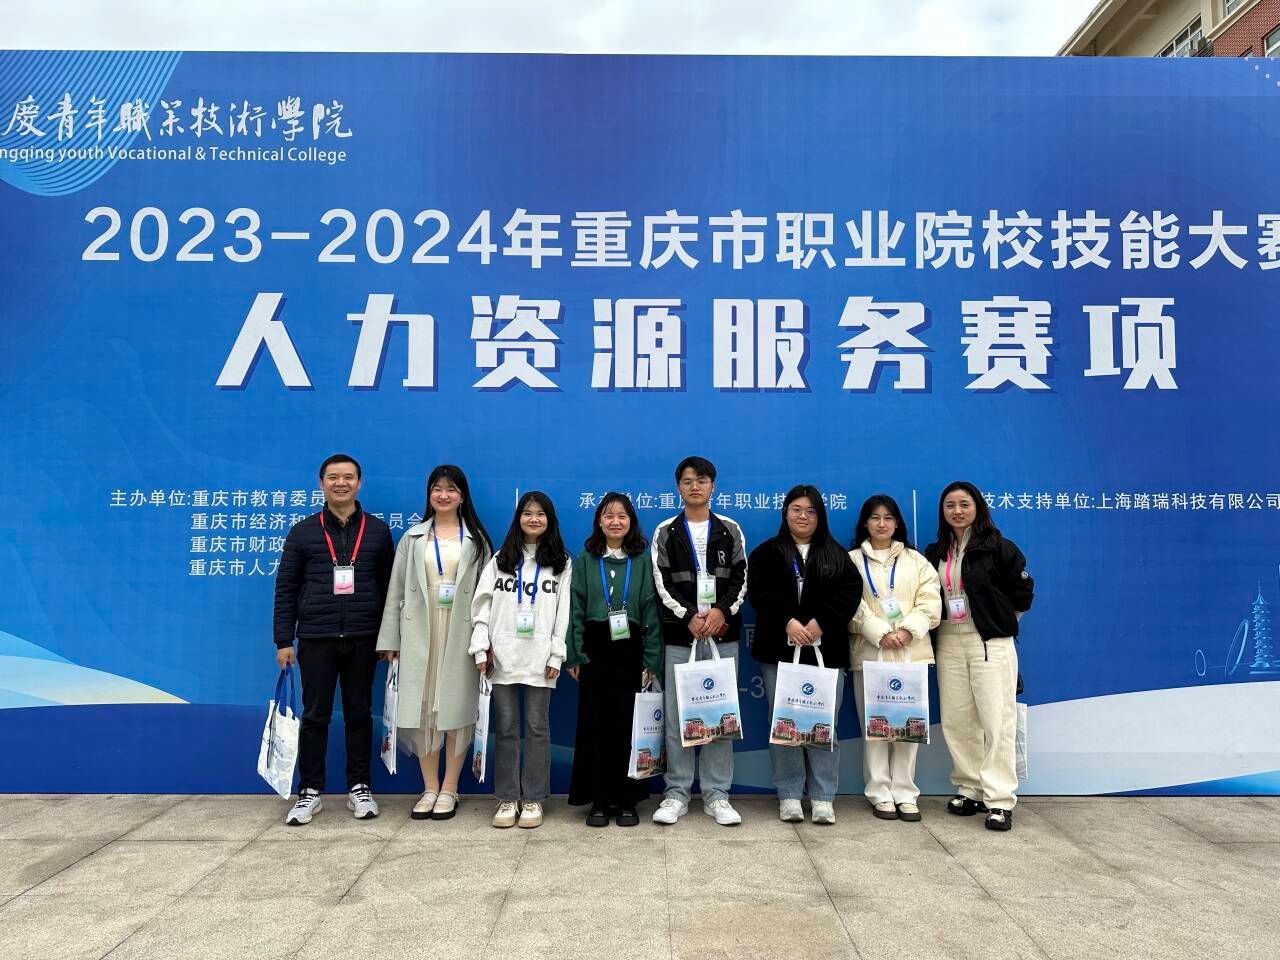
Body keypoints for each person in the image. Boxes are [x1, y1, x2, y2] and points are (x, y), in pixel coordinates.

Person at [273, 454, 395, 826]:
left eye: (348, 477)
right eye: (333, 477)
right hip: (317, 638)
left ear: (359, 483)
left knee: (359, 715)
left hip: (363, 638)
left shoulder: (377, 531)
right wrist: (283, 640)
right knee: (315, 716)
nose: (340, 483)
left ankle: (360, 787)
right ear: (321, 483)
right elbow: (286, 588)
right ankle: (310, 791)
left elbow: (389, 590)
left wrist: (389, 638)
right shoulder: (303, 531)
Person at [377, 465, 493, 821]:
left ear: (462, 496)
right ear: (429, 495)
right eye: (437, 489)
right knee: (424, 708)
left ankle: (450, 788)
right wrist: (390, 639)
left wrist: (485, 641)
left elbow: (488, 597)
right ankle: (429, 787)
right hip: (420, 631)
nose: (444, 495)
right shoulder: (413, 538)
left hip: (460, 632)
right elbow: (396, 589)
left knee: (455, 707)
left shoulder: (477, 540)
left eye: (451, 489)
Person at [923, 482, 1033, 833]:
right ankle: (969, 787)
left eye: (964, 504)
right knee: (958, 718)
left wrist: (1000, 622)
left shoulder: (998, 547)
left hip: (989, 641)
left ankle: (999, 798)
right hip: (948, 640)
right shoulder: (936, 551)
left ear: (978, 507)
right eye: (950, 505)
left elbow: (1023, 592)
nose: (957, 511)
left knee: (996, 720)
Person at [747, 485, 861, 825]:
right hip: (779, 650)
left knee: (823, 725)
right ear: (785, 513)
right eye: (796, 509)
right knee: (785, 725)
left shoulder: (836, 554)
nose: (802, 516)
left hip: (826, 651)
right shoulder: (767, 553)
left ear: (819, 516)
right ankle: (789, 795)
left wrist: (820, 622)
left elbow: (850, 593)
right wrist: (789, 621)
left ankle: (823, 797)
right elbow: (759, 592)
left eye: (810, 511)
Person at [650, 456, 749, 826]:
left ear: (712, 486)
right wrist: (689, 615)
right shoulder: (666, 531)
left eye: (702, 480)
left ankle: (716, 794)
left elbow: (741, 578)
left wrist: (722, 611)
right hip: (681, 636)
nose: (695, 486)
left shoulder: (730, 529)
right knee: (678, 717)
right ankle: (676, 793)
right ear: (679, 487)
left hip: (722, 636)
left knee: (721, 715)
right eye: (688, 481)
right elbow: (662, 582)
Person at [469, 492, 572, 829]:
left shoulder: (561, 563)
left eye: (540, 514)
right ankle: (507, 797)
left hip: (541, 657)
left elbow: (563, 613)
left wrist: (557, 653)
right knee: (507, 728)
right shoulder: (500, 559)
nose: (533, 519)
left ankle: (533, 798)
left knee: (538, 728)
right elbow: (482, 606)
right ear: (518, 519)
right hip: (502, 656)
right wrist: (481, 647)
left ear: (550, 520)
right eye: (527, 513)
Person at [564, 493, 664, 827]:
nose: (615, 522)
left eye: (622, 516)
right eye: (608, 516)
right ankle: (598, 800)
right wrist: (575, 653)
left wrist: (651, 660)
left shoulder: (642, 562)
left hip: (630, 651)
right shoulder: (586, 560)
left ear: (631, 522)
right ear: (599, 522)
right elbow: (576, 610)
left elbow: (651, 612)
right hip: (595, 651)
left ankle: (626, 800)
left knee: (627, 727)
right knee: (594, 726)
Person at [848, 494, 942, 822]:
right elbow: (848, 605)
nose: (882, 523)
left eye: (888, 517)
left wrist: (907, 631)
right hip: (870, 654)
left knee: (908, 729)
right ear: (865, 523)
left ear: (897, 523)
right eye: (875, 517)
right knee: (875, 728)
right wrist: (878, 631)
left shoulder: (917, 561)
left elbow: (931, 603)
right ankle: (879, 792)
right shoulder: (851, 561)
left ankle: (905, 792)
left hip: (910, 655)